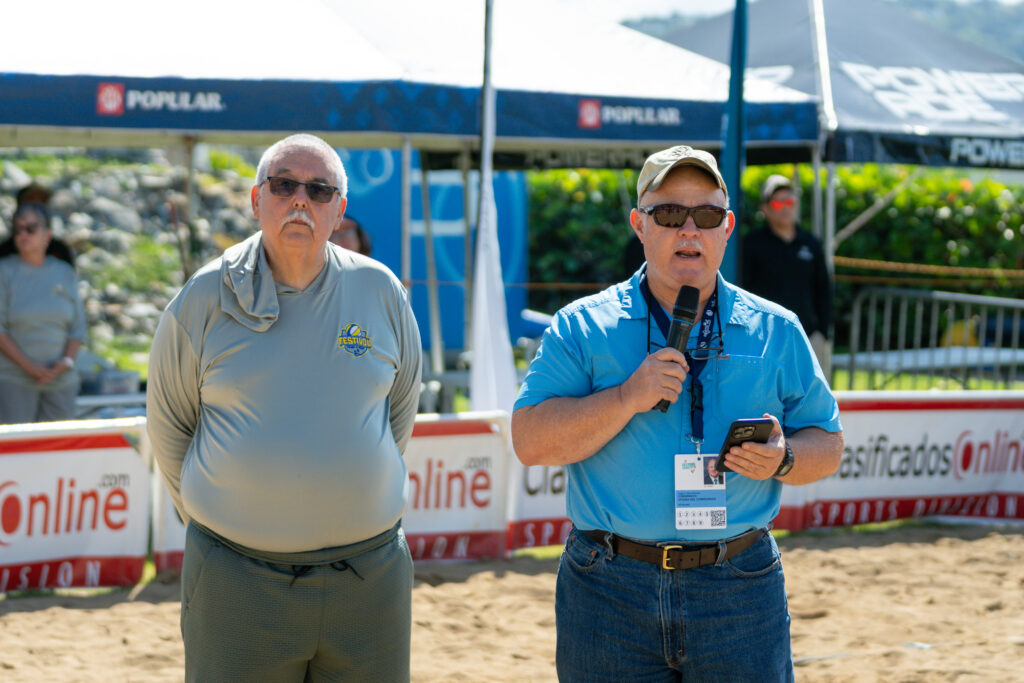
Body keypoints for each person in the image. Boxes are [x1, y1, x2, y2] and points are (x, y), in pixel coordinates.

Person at [511, 145, 843, 682]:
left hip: (740, 586)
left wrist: (784, 459)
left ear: (727, 228)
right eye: (668, 213)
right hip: (608, 589)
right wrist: (625, 397)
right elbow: (529, 442)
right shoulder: (582, 326)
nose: (689, 230)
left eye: (706, 215)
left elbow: (828, 443)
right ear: (639, 224)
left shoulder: (777, 329)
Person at [146, 133, 422, 682]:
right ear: (256, 199)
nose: (300, 200)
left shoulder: (382, 290)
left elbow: (398, 413)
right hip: (238, 583)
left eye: (319, 191)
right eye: (284, 185)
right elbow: (170, 425)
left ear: (339, 211)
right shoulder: (203, 296)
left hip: (369, 583)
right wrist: (229, 515)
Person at [0, 202, 85, 423]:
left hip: (62, 382)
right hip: (14, 381)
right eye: (18, 229)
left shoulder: (65, 272)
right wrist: (30, 368)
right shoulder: (4, 272)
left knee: (60, 444)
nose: (23, 235)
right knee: (17, 445)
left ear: (47, 235)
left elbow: (78, 327)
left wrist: (66, 362)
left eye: (31, 228)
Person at [742, 174, 833, 376]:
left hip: (807, 336)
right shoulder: (752, 244)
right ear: (765, 208)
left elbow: (824, 290)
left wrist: (822, 333)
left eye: (790, 201)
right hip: (765, 338)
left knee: (808, 393)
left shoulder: (811, 243)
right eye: (777, 203)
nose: (785, 207)